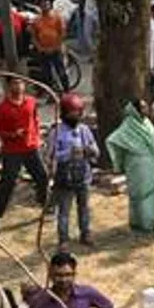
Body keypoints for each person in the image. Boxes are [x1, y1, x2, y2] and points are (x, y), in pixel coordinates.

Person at [0, 77, 49, 227]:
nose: (19, 86)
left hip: (31, 147)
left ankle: (45, 204)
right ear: (9, 87)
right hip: (12, 150)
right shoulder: (2, 108)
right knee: (8, 182)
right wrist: (13, 134)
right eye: (15, 83)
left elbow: (35, 119)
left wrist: (37, 136)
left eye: (21, 83)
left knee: (42, 176)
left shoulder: (31, 102)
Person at [105, 99, 154, 233]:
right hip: (137, 165)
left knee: (152, 194)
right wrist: (119, 163)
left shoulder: (147, 123)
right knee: (140, 193)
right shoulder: (128, 126)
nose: (146, 110)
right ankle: (141, 223)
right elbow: (112, 140)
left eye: (146, 107)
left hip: (151, 162)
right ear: (135, 110)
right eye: (142, 108)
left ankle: (152, 221)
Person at [49, 93, 98, 248]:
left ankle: (86, 233)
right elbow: (50, 155)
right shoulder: (56, 132)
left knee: (84, 206)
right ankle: (63, 238)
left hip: (83, 174)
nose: (75, 116)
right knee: (64, 209)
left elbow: (96, 151)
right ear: (64, 114)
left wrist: (89, 150)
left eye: (77, 113)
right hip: (65, 176)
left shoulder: (84, 130)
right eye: (71, 113)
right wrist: (68, 153)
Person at [30, 0, 68, 92]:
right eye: (43, 5)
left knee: (61, 71)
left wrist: (57, 46)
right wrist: (39, 47)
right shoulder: (36, 20)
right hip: (43, 50)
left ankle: (66, 91)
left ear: (50, 5)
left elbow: (62, 34)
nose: (45, 7)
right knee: (46, 74)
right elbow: (34, 36)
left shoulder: (57, 17)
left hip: (56, 49)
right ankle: (51, 93)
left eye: (47, 4)